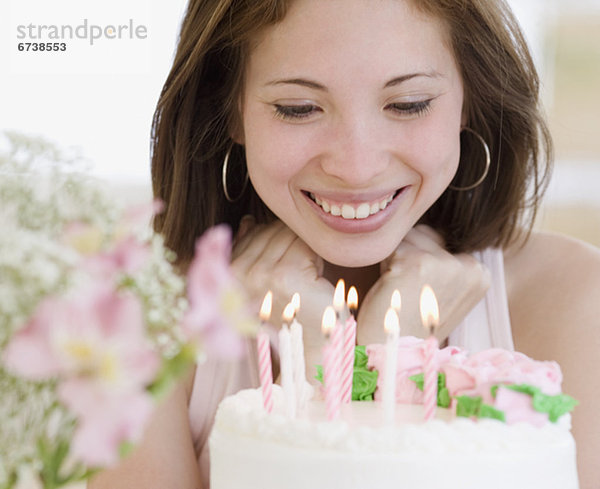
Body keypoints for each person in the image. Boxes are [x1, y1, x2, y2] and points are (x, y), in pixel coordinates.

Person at [89, 0, 600, 488]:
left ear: (472, 99)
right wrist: (335, 370)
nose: (357, 167)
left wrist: (376, 363)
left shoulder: (575, 300)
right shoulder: (135, 321)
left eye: (408, 104)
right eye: (299, 108)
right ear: (230, 109)